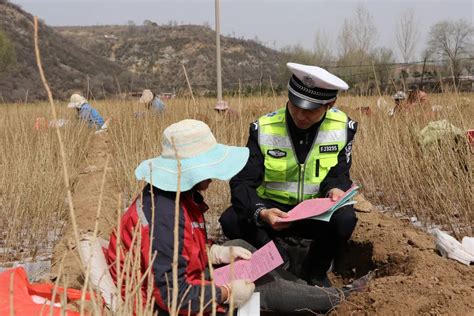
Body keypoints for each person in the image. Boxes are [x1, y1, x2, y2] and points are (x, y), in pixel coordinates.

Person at [105, 119, 370, 315]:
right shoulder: (165, 217)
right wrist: (226, 293)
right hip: (163, 304)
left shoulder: (171, 197)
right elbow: (171, 295)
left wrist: (215, 253)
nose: (210, 177)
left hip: (181, 282)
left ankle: (303, 289)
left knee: (242, 249)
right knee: (262, 290)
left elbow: (176, 252)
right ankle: (339, 298)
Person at [219, 62, 359, 288]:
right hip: (274, 213)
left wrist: (336, 189)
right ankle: (277, 258)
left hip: (314, 213)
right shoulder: (263, 128)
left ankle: (315, 270)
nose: (300, 115)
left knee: (345, 219)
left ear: (330, 104)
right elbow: (242, 182)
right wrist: (262, 212)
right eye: (295, 105)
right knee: (231, 219)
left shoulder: (343, 128)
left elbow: (339, 172)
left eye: (310, 110)